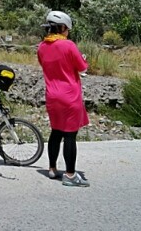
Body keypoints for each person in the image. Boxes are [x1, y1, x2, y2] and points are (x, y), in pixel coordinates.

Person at [37, 10, 90, 187]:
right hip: (69, 96)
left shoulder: (41, 47)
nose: (68, 32)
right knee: (69, 135)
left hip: (52, 95)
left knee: (56, 131)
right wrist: (83, 59)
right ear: (62, 28)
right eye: (67, 29)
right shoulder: (68, 45)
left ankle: (52, 168)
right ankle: (70, 174)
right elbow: (82, 68)